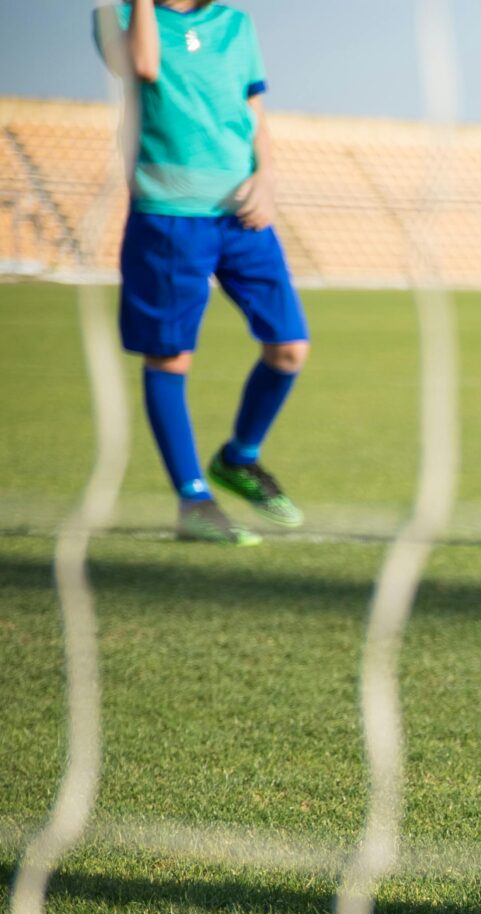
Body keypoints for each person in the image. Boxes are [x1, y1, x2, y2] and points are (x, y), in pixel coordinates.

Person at [97, 0, 311, 545]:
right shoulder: (116, 14)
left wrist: (268, 177)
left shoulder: (235, 24)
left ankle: (239, 458)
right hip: (169, 217)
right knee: (171, 358)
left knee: (290, 347)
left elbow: (254, 112)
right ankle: (193, 500)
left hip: (242, 212)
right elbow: (143, 66)